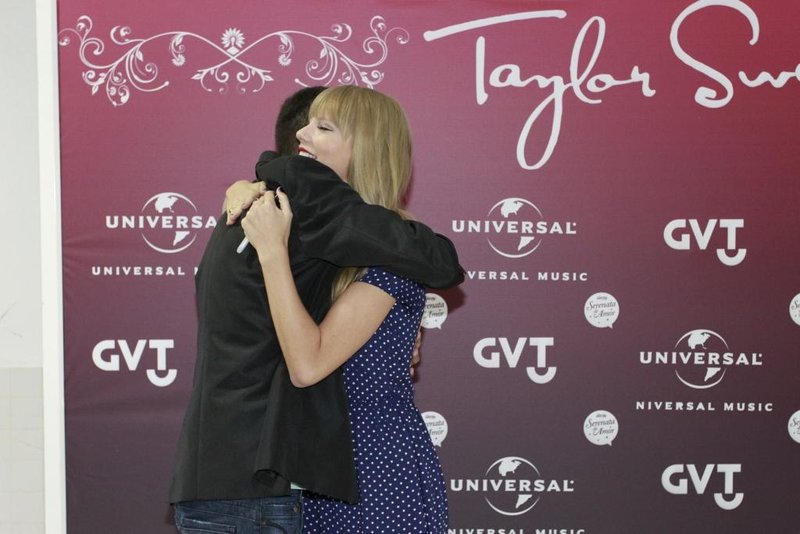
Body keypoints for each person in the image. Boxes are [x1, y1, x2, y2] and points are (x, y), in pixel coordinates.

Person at [169, 85, 462, 534]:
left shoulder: (390, 257)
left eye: (323, 127)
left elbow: (311, 362)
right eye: (307, 124)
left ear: (367, 148)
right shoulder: (304, 234)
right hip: (312, 479)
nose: (303, 135)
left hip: (375, 476)